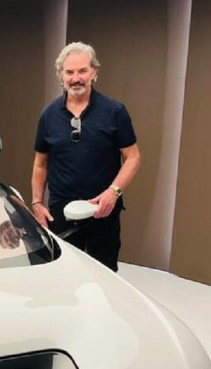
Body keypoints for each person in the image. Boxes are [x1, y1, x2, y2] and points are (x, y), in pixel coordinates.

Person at [31, 42, 141, 272]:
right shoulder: (48, 115)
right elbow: (41, 164)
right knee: (63, 278)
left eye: (82, 71)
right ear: (61, 75)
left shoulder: (114, 111)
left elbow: (133, 157)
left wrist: (114, 192)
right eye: (69, 72)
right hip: (60, 212)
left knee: (105, 278)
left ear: (94, 72)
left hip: (103, 209)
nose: (76, 78)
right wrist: (37, 203)